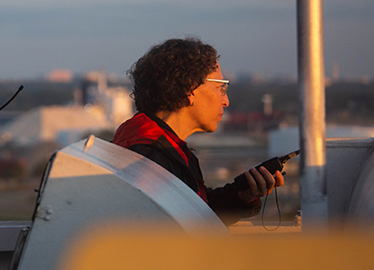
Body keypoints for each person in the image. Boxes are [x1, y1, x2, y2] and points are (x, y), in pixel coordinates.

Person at [112, 38, 283, 225]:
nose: (225, 101)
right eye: (221, 87)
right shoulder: (151, 159)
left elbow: (193, 211)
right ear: (191, 90)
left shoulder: (148, 142)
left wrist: (243, 195)